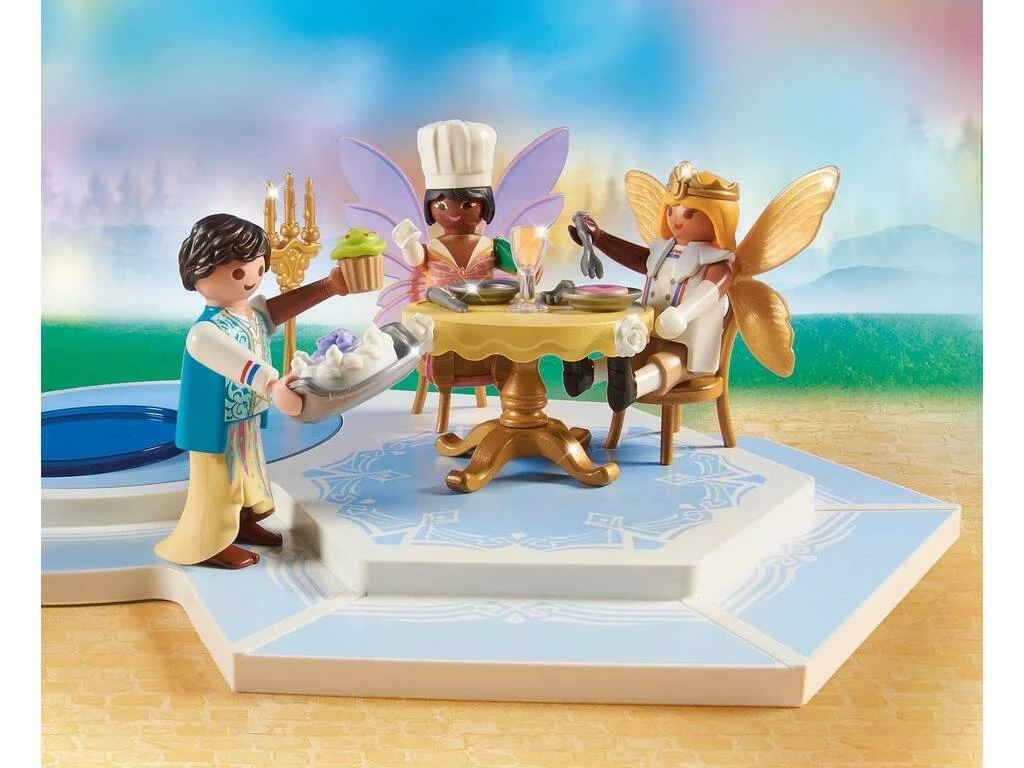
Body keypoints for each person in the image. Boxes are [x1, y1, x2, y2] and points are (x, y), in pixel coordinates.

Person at [155, 213, 355, 570]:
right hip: (214, 425)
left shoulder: (249, 314)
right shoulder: (205, 332)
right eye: (238, 272)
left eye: (259, 268)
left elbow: (278, 309)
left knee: (248, 475)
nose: (251, 278)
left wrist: (328, 286)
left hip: (244, 417)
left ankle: (242, 523)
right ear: (198, 271)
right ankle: (208, 543)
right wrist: (273, 384)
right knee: (217, 485)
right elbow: (239, 362)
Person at [563, 161, 739, 411]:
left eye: (689, 214)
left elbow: (710, 292)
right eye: (672, 210)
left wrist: (683, 314)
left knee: (668, 362)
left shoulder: (716, 261)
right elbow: (634, 257)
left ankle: (633, 387)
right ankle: (588, 374)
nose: (677, 219)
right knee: (629, 351)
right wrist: (599, 238)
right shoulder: (665, 250)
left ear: (718, 219)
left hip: (690, 348)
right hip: (652, 331)